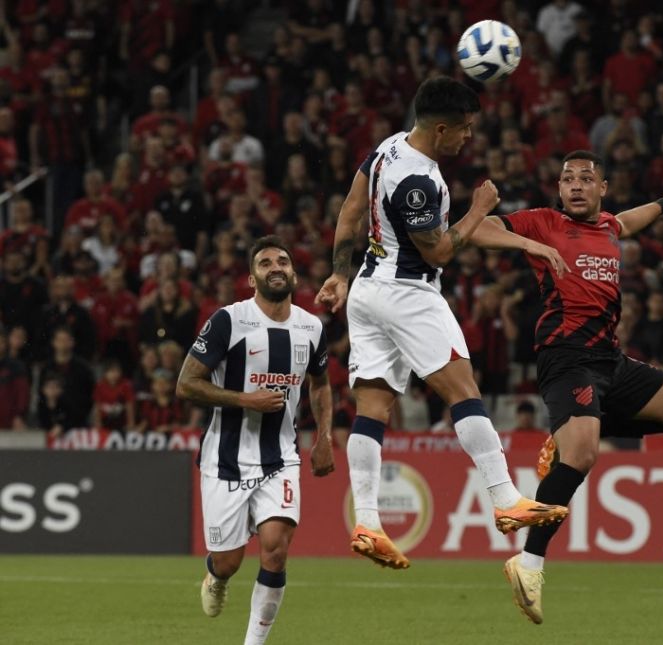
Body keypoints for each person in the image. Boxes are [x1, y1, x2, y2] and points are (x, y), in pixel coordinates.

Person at [315, 77, 570, 570]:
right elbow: (442, 250)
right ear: (440, 128)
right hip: (408, 293)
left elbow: (350, 210)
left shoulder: (389, 148)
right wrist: (477, 209)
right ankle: (504, 498)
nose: (468, 138)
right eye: (465, 130)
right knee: (462, 389)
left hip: (367, 293)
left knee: (373, 406)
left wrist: (338, 274)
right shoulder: (419, 181)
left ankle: (367, 520)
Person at [466, 150, 663, 623]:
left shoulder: (609, 227)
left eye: (585, 178)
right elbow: (479, 228)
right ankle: (529, 562)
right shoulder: (543, 222)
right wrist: (527, 246)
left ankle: (572, 427)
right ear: (559, 189)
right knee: (584, 455)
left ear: (602, 189)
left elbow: (629, 222)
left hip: (610, 360)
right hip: (566, 358)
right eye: (567, 178)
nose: (574, 185)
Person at [175, 235, 335, 645]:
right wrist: (244, 399)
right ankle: (215, 575)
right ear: (252, 278)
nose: (276, 267)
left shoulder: (311, 327)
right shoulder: (228, 321)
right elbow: (186, 384)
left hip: (280, 458)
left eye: (283, 261)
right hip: (225, 460)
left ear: (294, 272)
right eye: (265, 263)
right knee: (228, 562)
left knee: (275, 549)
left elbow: (320, 385)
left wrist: (324, 437)